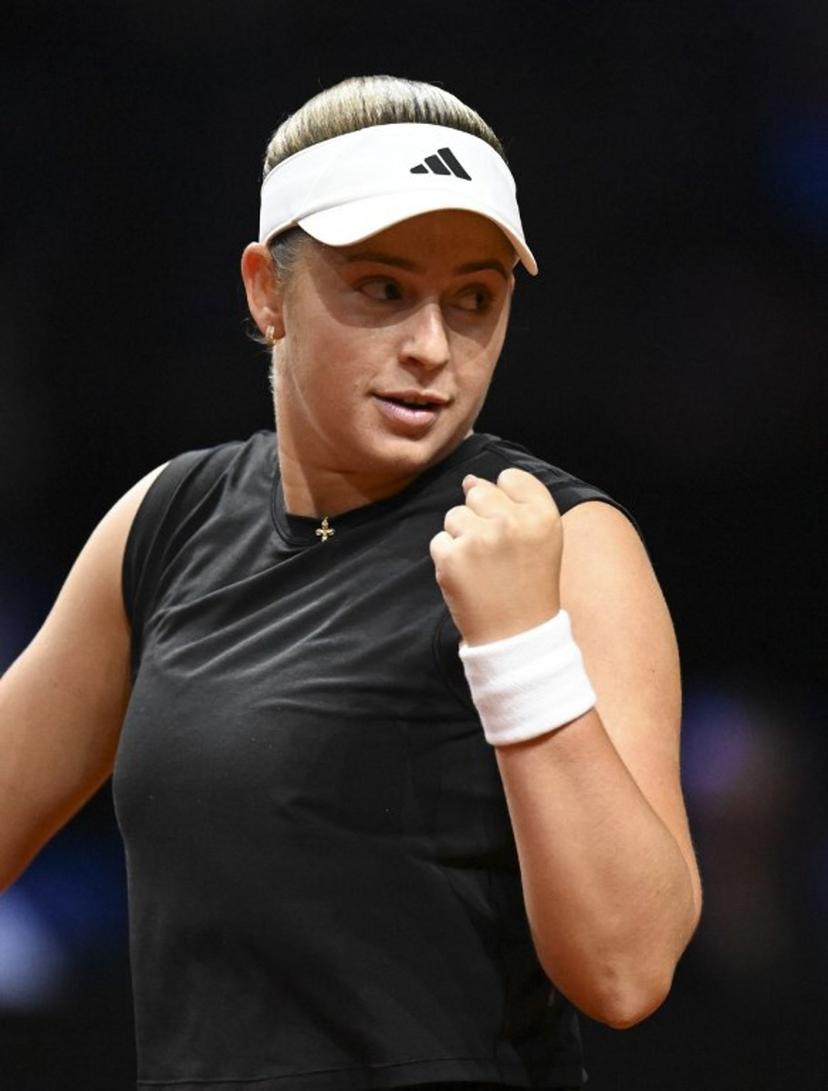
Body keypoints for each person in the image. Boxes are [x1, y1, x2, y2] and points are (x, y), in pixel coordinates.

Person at [0, 75, 702, 1090]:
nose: (431, 348)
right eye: (381, 288)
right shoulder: (167, 520)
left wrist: (518, 648)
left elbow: (626, 968)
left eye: (474, 299)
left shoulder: (564, 542)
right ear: (264, 289)